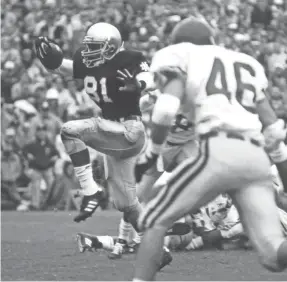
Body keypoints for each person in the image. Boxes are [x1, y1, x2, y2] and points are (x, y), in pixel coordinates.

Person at [132, 17, 287, 281]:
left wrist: (152, 153)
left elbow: (165, 110)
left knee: (151, 218)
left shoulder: (183, 60)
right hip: (256, 157)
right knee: (274, 255)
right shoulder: (245, 65)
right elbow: (273, 130)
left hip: (219, 150)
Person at [34, 22, 171, 264]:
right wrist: (51, 62)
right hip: (112, 133)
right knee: (126, 204)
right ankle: (157, 250)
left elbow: (148, 77)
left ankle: (91, 190)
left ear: (112, 47)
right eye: (88, 46)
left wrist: (138, 85)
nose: (88, 51)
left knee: (71, 130)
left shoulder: (129, 59)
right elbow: (66, 68)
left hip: (128, 131)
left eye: (95, 47)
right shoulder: (89, 61)